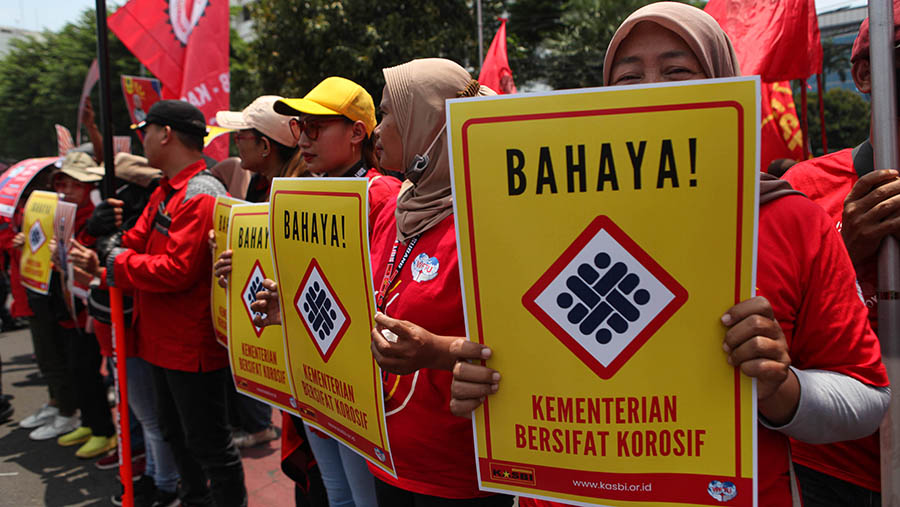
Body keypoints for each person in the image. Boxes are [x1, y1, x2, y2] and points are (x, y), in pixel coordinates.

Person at [449, 4, 890, 507]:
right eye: (627, 75)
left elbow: (866, 398)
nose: (649, 88)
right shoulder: (527, 221)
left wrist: (781, 388)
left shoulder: (790, 220)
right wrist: (479, 381)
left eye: (677, 70)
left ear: (722, 81)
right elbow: (504, 359)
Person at [70, 99, 247, 507]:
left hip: (192, 347)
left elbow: (176, 269)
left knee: (210, 447)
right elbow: (132, 243)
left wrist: (110, 262)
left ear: (165, 134)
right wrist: (100, 261)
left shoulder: (200, 194)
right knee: (174, 434)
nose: (141, 140)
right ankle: (192, 498)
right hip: (161, 342)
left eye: (145, 131)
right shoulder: (167, 191)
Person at [359, 58, 513, 506]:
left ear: (431, 126)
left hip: (458, 476)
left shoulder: (490, 220)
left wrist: (438, 352)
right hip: (387, 456)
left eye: (388, 114)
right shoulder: (395, 207)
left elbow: (524, 348)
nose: (376, 129)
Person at [781, 3, 900, 504]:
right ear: (865, 73)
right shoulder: (801, 190)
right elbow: (765, 338)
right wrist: (843, 248)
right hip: (833, 472)